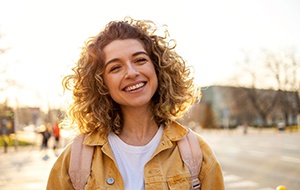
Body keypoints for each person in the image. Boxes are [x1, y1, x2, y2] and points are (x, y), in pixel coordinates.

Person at [47, 17, 224, 189]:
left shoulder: (197, 153)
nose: (131, 73)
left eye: (140, 60)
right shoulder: (76, 159)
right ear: (101, 84)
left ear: (157, 67)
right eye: (115, 67)